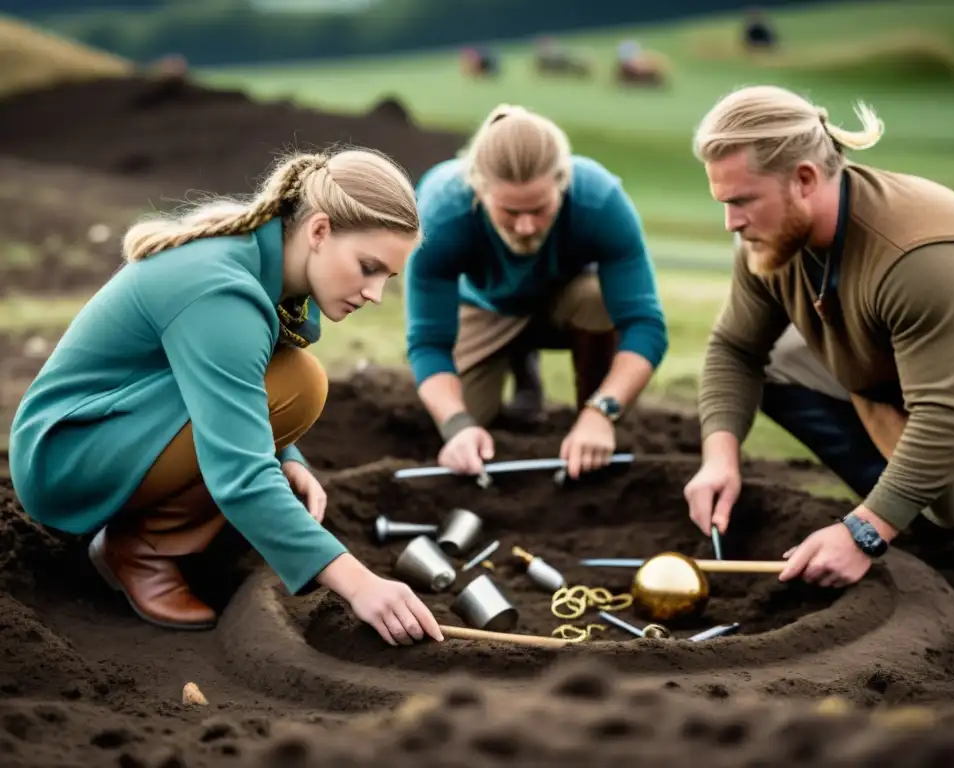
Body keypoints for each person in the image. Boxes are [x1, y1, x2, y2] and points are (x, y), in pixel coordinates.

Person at [8, 147, 445, 646]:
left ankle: (163, 528)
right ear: (319, 231)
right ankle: (140, 548)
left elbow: (237, 383)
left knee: (299, 382)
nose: (374, 294)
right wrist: (361, 584)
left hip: (117, 428)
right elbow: (239, 469)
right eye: (368, 267)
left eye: (385, 278)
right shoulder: (223, 292)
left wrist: (287, 455)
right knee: (297, 387)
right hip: (66, 458)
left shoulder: (262, 260)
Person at [684, 84, 954, 592]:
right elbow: (736, 349)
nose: (731, 222)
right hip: (912, 383)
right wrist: (720, 457)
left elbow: (950, 418)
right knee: (777, 362)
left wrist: (863, 533)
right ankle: (914, 520)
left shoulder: (920, 252)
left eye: (742, 201)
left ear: (803, 179)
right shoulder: (770, 237)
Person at [403, 104, 668, 481]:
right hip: (484, 307)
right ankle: (518, 358)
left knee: (596, 298)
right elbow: (428, 342)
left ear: (563, 183)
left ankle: (591, 421)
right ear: (479, 190)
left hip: (565, 300)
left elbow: (645, 324)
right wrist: (457, 426)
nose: (526, 227)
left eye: (540, 209)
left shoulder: (599, 199)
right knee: (469, 422)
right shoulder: (441, 213)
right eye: (509, 211)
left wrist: (603, 410)